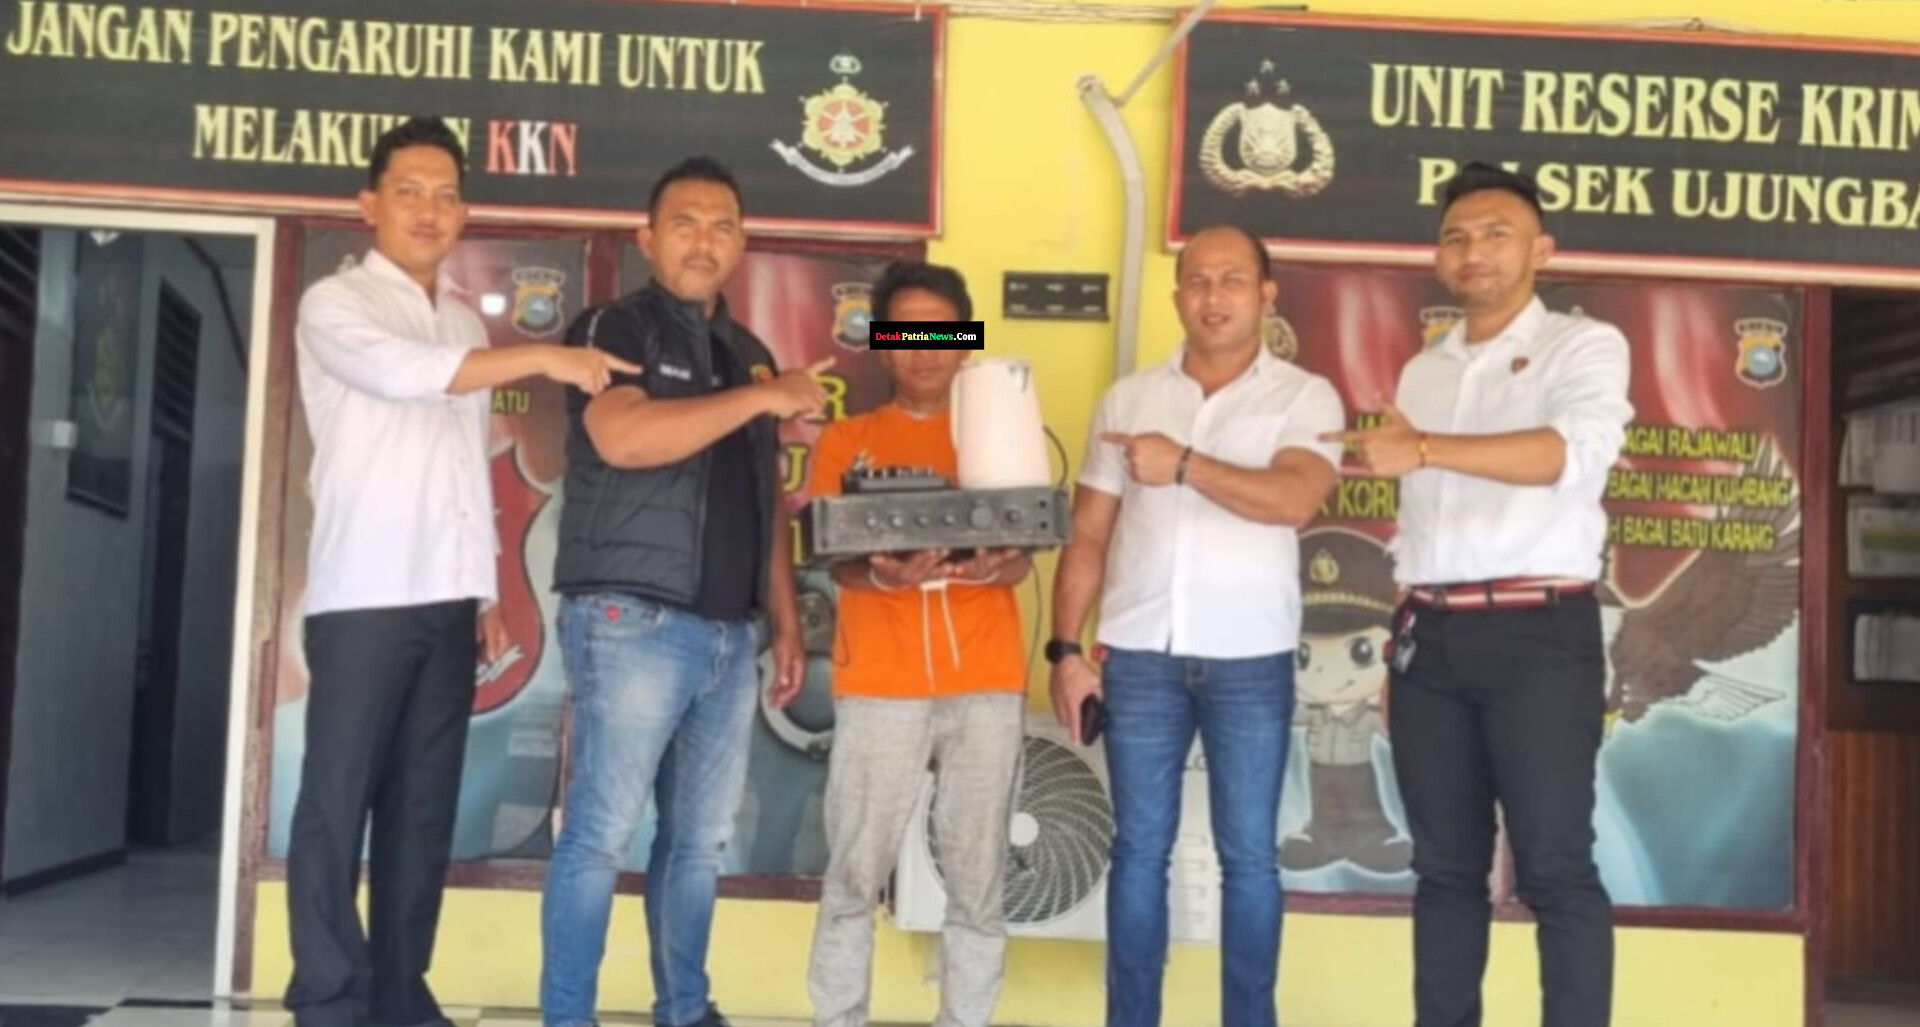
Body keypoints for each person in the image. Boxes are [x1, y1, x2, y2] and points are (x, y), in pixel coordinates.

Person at [288, 115, 635, 1027]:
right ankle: (327, 995)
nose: (428, 209)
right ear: (368, 204)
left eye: (446, 195)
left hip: (447, 601)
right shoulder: (335, 304)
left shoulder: (459, 320)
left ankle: (400, 990)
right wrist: (545, 353)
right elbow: (406, 375)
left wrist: (483, 590)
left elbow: (464, 468)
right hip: (364, 595)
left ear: (463, 213)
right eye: (409, 191)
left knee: (421, 808)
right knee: (337, 801)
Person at [1330, 162, 1632, 1027]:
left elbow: (1567, 455)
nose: (1474, 251)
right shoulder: (1424, 371)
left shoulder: (1584, 345)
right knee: (1443, 870)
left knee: (1556, 868)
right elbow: (1421, 524)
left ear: (1541, 249)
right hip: (1430, 640)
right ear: (1438, 257)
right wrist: (1400, 649)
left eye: (1497, 233)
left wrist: (1425, 447)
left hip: (1540, 633)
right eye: (1456, 236)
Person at [539, 155, 831, 1027]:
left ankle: (686, 1008)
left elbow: (764, 501)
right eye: (685, 223)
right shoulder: (614, 325)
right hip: (631, 620)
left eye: (722, 226)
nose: (705, 242)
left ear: (742, 242)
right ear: (647, 238)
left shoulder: (750, 354)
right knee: (600, 834)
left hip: (729, 634)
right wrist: (760, 401)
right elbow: (622, 437)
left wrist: (786, 623)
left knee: (699, 842)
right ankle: (567, 1017)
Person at [1048, 223, 1344, 1027]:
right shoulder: (1129, 398)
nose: (1214, 296)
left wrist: (1182, 464)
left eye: (1232, 279)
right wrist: (1067, 650)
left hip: (1251, 658)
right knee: (1138, 850)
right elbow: (1088, 535)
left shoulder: (1305, 397)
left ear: (1266, 294)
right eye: (1198, 280)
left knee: (1248, 859)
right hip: (1140, 654)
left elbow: (1294, 498)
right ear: (1178, 295)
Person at [803, 262, 1031, 1027]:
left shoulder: (1000, 432)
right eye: (905, 331)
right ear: (882, 342)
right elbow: (833, 556)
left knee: (978, 879)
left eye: (941, 331)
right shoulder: (847, 440)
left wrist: (1000, 564)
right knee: (852, 873)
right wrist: (882, 575)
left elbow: (1025, 549)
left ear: (966, 339)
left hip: (986, 679)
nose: (924, 347)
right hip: (879, 682)